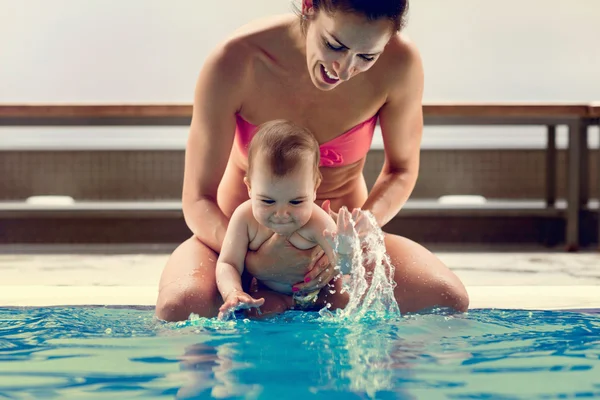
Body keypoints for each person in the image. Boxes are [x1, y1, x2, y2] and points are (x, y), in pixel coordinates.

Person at [156, 0, 469, 322]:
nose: (344, 69)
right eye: (334, 45)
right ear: (308, 7)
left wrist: (348, 240)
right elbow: (198, 199)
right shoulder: (237, 59)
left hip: (336, 252)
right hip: (235, 241)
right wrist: (253, 258)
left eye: (367, 57)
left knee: (445, 298)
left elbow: (401, 170)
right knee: (180, 306)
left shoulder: (400, 62)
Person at [215, 119, 355, 320]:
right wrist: (233, 293)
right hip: (273, 293)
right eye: (267, 201)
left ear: (314, 189)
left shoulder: (318, 223)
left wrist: (345, 249)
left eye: (296, 202)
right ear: (250, 188)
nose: (281, 213)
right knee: (255, 311)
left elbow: (343, 269)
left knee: (345, 301)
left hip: (320, 294)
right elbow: (228, 264)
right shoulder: (244, 219)